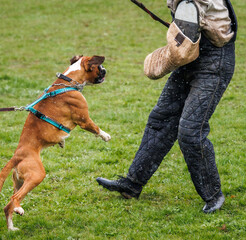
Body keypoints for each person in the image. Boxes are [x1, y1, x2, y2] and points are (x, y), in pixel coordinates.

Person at [96, 0, 237, 213]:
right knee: (161, 118)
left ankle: (213, 195)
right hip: (189, 55)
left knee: (190, 131)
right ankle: (133, 183)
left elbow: (199, 22)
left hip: (214, 62)